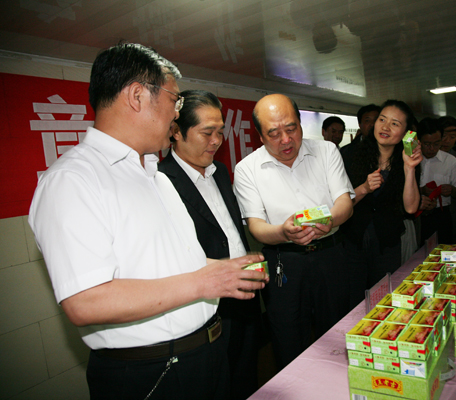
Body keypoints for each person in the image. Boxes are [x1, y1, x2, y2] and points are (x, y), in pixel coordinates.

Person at [28, 43, 268, 400]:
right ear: (137, 96)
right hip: (153, 373)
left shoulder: (155, 176)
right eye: (174, 100)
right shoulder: (73, 180)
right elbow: (86, 302)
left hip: (205, 355)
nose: (176, 113)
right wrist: (203, 281)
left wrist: (226, 270)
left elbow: (173, 264)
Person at [233, 93, 354, 370]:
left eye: (291, 129)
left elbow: (345, 203)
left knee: (336, 334)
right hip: (283, 263)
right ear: (260, 136)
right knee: (287, 340)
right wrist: (284, 232)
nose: (286, 140)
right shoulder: (247, 169)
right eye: (274, 133)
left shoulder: (327, 151)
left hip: (330, 255)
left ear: (300, 123)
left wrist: (330, 220)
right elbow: (257, 226)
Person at [158, 90, 262, 400]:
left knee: (247, 377)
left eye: (220, 131)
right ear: (176, 131)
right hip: (205, 306)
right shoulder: (162, 182)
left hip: (245, 297)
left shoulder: (220, 172)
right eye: (207, 133)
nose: (216, 141)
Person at [341, 100, 422, 306]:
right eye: (382, 120)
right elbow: (338, 205)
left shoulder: (408, 159)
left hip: (387, 243)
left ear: (406, 133)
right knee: (352, 300)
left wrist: (409, 168)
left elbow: (411, 208)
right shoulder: (350, 155)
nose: (385, 127)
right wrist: (364, 188)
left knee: (384, 300)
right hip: (352, 241)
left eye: (395, 124)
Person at [417, 118, 456, 245]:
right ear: (419, 141)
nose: (432, 148)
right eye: (427, 144)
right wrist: (421, 191)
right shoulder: (411, 159)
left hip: (441, 216)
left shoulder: (450, 161)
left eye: (437, 143)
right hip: (417, 216)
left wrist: (452, 190)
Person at [341, 103, 381, 172]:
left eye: (376, 120)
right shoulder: (346, 152)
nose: (372, 124)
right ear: (359, 124)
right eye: (367, 121)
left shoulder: (389, 149)